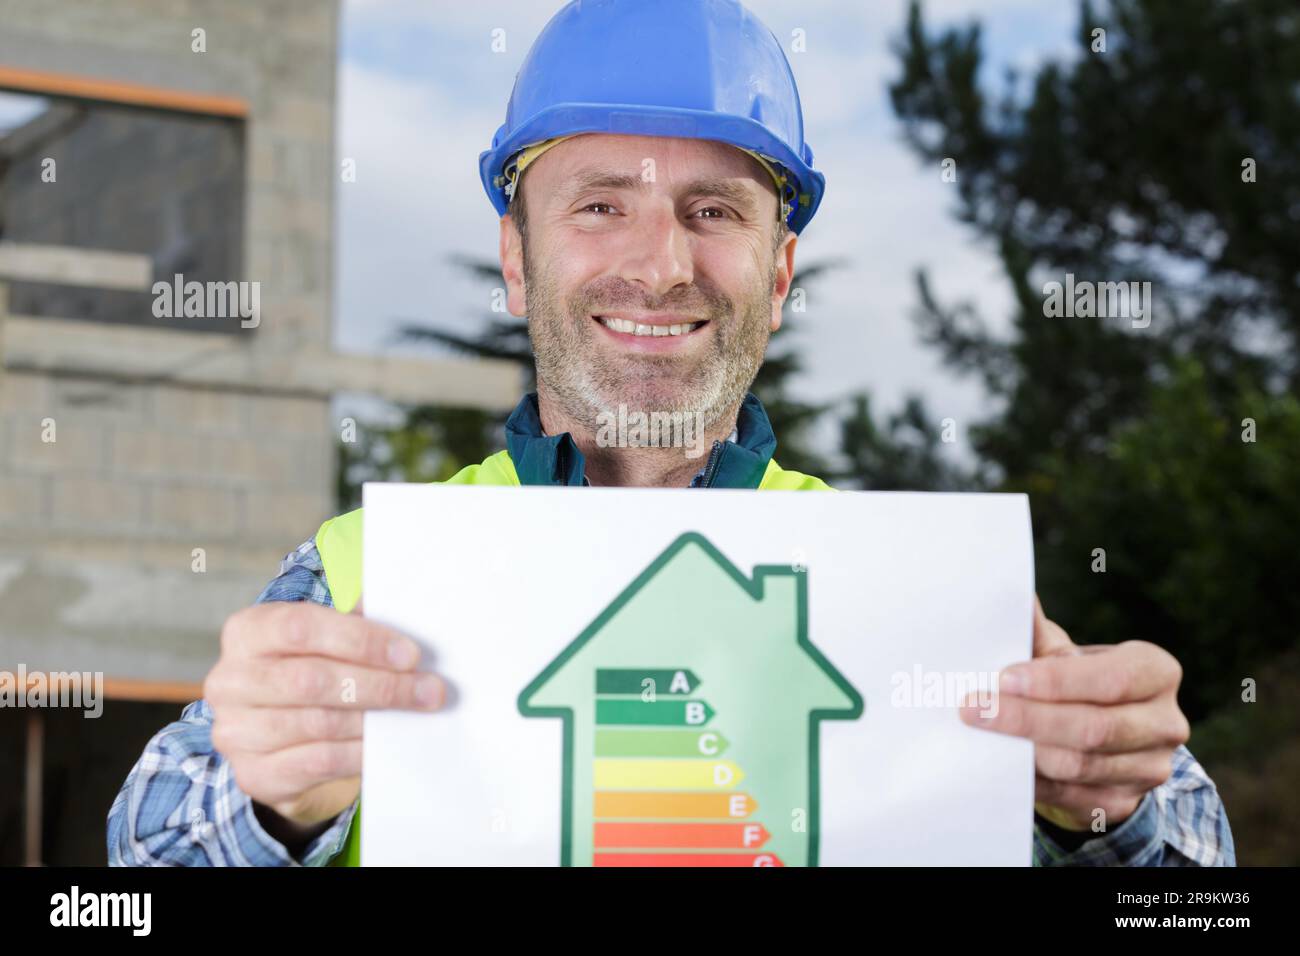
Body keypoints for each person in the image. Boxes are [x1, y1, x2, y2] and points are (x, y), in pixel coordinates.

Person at [108, 0, 1233, 867]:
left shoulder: (910, 590)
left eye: (714, 210)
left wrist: (1115, 798)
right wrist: (261, 802)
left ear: (779, 270)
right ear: (517, 258)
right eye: (601, 204)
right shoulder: (364, 575)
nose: (659, 264)